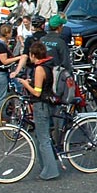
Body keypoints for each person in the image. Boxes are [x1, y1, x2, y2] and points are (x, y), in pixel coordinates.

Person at [15, 41, 60, 180]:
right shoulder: (49, 64)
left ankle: (51, 170)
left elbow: (37, 92)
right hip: (49, 104)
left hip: (41, 105)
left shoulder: (39, 69)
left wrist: (24, 84)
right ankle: (46, 166)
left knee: (44, 139)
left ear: (33, 55)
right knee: (40, 136)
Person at [0, 24, 27, 123]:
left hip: (0, 72)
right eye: (10, 32)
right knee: (0, 95)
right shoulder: (0, 45)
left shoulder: (1, 43)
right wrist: (19, 57)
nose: (12, 34)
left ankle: (7, 109)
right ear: (6, 33)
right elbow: (4, 61)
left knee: (4, 92)